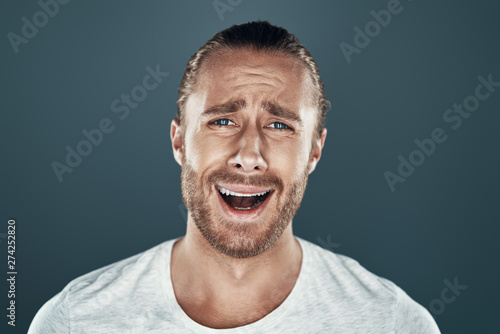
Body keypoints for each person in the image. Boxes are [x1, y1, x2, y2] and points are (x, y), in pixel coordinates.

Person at [29, 21, 440, 333]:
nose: (248, 156)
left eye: (280, 125)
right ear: (179, 142)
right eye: (223, 120)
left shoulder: (393, 323)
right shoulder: (74, 320)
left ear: (315, 150)